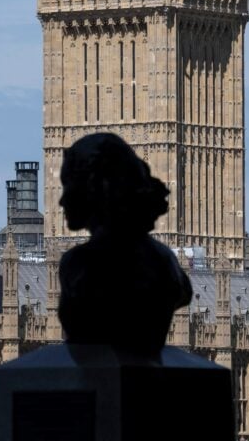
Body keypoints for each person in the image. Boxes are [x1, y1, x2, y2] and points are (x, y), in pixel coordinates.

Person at [56, 132, 193, 354]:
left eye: (71, 186)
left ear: (98, 188)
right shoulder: (164, 263)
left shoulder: (78, 266)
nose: (62, 201)